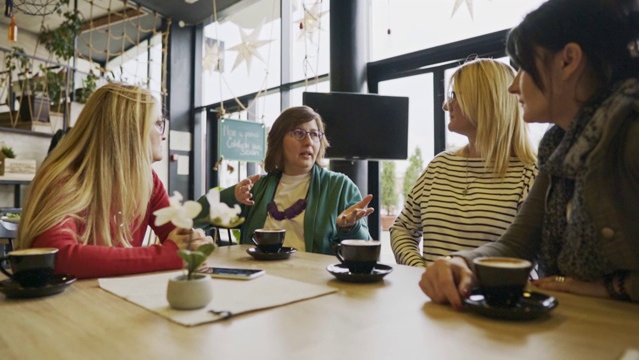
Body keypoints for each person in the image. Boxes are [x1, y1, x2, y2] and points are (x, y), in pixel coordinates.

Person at [420, 0, 639, 307]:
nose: (512, 87)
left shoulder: (629, 135)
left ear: (568, 61)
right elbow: (516, 245)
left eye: (522, 66)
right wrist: (461, 263)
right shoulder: (560, 148)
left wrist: (614, 287)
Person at [16, 83, 213, 279]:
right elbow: (56, 255)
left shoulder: (148, 180)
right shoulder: (66, 179)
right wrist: (168, 255)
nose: (163, 136)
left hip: (114, 298)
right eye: (157, 124)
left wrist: (193, 244)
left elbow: (180, 239)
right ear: (129, 131)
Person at [391, 58, 538, 267]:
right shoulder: (438, 166)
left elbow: (531, 255)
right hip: (431, 298)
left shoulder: (529, 174)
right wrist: (422, 271)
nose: (445, 105)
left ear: (484, 101)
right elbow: (402, 229)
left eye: (455, 96)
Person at [197, 105, 374, 254]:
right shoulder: (256, 187)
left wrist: (350, 228)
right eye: (299, 133)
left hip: (314, 284)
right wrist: (233, 197)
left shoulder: (340, 187)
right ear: (278, 140)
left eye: (314, 134)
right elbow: (197, 213)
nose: (308, 142)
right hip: (259, 280)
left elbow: (363, 249)